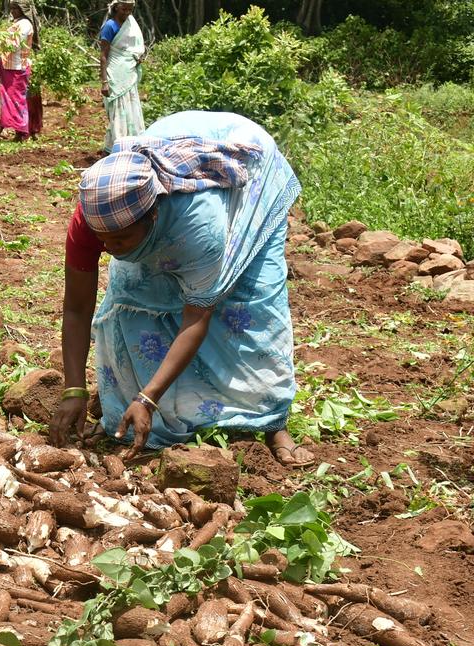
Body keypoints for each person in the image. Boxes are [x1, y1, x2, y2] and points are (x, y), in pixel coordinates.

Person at [49, 111, 311, 467]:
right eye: (102, 240)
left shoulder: (199, 225)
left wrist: (148, 398)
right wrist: (74, 388)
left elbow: (197, 316)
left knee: (246, 305)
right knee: (129, 297)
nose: (109, 248)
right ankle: (136, 413)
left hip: (252, 177)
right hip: (172, 161)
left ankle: (269, 420)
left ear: (152, 216)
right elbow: (77, 307)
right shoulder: (93, 218)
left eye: (121, 238)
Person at [99, 0, 146, 152]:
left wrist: (138, 57)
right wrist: (104, 81)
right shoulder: (110, 26)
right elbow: (104, 55)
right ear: (116, 7)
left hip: (129, 72)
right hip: (115, 73)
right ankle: (118, 146)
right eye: (124, 8)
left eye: (130, 9)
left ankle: (131, 146)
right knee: (118, 111)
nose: (127, 12)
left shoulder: (131, 24)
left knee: (132, 110)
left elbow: (134, 48)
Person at [0, 0, 41, 141]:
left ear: (23, 10)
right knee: (11, 99)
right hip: (11, 66)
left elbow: (14, 45)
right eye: (12, 8)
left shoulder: (24, 25)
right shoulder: (18, 23)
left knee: (16, 100)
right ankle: (20, 131)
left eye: (16, 8)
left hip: (17, 68)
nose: (12, 11)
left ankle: (21, 132)